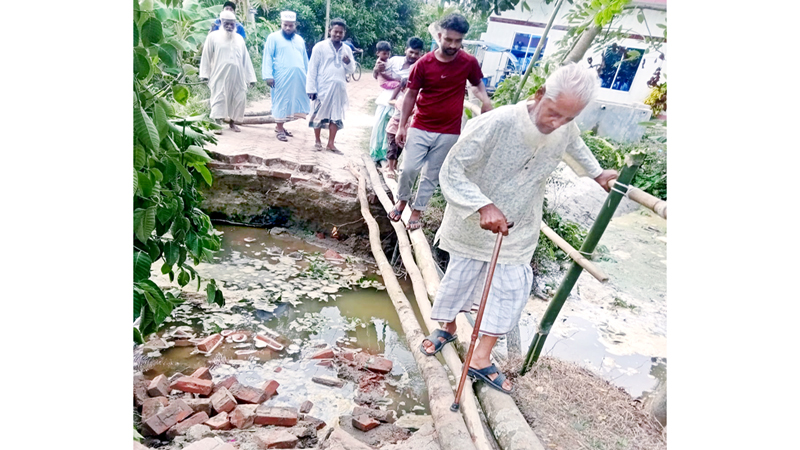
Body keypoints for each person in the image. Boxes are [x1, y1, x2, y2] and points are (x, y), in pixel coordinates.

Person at [420, 64, 620, 394]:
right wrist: (483, 205)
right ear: (540, 94)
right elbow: (452, 170)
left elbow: (575, 143)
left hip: (520, 226)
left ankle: (481, 358)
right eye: (554, 113)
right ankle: (448, 327)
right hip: (474, 223)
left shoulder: (564, 127)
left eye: (568, 118)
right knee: (460, 278)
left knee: (511, 288)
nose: (557, 124)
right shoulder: (496, 123)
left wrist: (598, 174)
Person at [387, 14, 492, 230]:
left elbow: (477, 84)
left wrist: (485, 100)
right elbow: (410, 95)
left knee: (431, 175)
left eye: (458, 41)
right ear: (439, 36)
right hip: (421, 125)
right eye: (448, 40)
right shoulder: (423, 64)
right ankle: (402, 200)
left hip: (449, 130)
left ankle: (416, 212)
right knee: (408, 169)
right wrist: (402, 125)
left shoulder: (468, 62)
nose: (453, 45)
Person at [199, 10, 257, 133]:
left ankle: (232, 123)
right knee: (219, 98)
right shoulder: (213, 37)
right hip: (219, 74)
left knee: (238, 98)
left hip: (238, 76)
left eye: (232, 24)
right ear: (221, 22)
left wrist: (251, 78)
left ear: (235, 24)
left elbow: (245, 59)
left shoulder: (240, 39)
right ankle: (218, 124)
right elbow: (206, 56)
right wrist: (204, 74)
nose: (230, 26)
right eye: (227, 23)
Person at [369, 37, 424, 162]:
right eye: (411, 52)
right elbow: (377, 75)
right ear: (406, 50)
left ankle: (389, 159)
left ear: (421, 53)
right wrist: (375, 70)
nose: (413, 55)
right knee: (380, 126)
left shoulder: (421, 67)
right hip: (386, 99)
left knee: (395, 129)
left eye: (417, 53)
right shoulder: (394, 60)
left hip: (404, 102)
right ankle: (376, 155)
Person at [306, 18, 355, 152]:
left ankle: (331, 143)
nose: (338, 35)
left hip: (339, 88)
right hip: (322, 87)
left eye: (341, 32)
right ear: (329, 31)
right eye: (335, 32)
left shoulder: (347, 49)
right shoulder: (320, 47)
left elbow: (352, 70)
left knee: (336, 115)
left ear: (344, 33)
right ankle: (317, 141)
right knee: (318, 114)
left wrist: (348, 62)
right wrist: (311, 88)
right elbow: (312, 69)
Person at [262, 11, 310, 142]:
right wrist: (268, 75)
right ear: (281, 24)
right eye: (285, 25)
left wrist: (309, 77)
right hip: (280, 77)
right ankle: (279, 128)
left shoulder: (300, 40)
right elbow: (268, 57)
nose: (288, 28)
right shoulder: (273, 38)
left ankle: (281, 126)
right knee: (281, 101)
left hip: (298, 78)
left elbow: (305, 59)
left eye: (291, 26)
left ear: (295, 25)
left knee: (293, 102)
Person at [384, 79, 415, 179]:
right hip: (394, 128)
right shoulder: (401, 100)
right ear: (402, 89)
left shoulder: (414, 100)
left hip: (403, 130)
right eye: (408, 87)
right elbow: (407, 111)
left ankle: (392, 166)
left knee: (399, 149)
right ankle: (390, 169)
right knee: (392, 148)